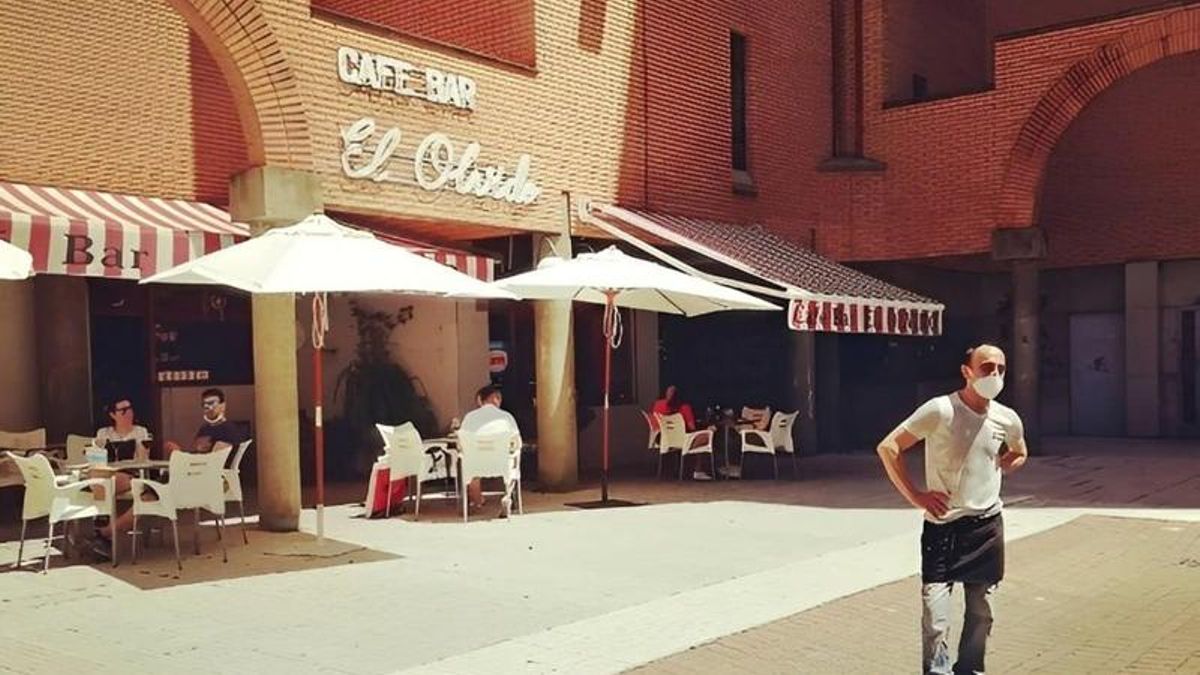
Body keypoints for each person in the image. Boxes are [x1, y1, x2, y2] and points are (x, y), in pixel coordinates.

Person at [875, 344, 1029, 675]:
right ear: (967, 371)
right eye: (987, 368)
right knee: (936, 616)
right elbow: (888, 448)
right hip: (942, 527)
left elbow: (1019, 451)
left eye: (1001, 369)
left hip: (987, 525)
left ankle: (971, 669)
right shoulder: (940, 410)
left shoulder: (1006, 417)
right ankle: (938, 671)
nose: (995, 375)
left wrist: (998, 466)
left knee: (982, 610)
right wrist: (916, 496)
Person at [88, 397, 153, 558]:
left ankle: (101, 532)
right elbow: (96, 459)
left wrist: (142, 449)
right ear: (113, 414)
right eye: (123, 410)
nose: (128, 413)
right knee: (100, 478)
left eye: (130, 408)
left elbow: (142, 461)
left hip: (130, 475)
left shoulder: (140, 432)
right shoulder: (104, 433)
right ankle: (103, 536)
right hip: (106, 474)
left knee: (103, 483)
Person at [459, 384, 521, 512]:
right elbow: (516, 441)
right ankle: (508, 496)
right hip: (501, 462)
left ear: (480, 400)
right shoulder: (506, 417)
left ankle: (477, 501)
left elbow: (461, 441)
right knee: (513, 464)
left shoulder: (470, 417)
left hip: (476, 464)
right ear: (497, 399)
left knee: (470, 466)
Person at [164, 388, 244, 459]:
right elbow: (197, 453)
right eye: (204, 404)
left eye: (211, 403)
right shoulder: (204, 428)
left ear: (223, 405)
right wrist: (179, 453)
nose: (208, 407)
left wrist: (181, 455)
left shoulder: (229, 430)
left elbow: (215, 459)